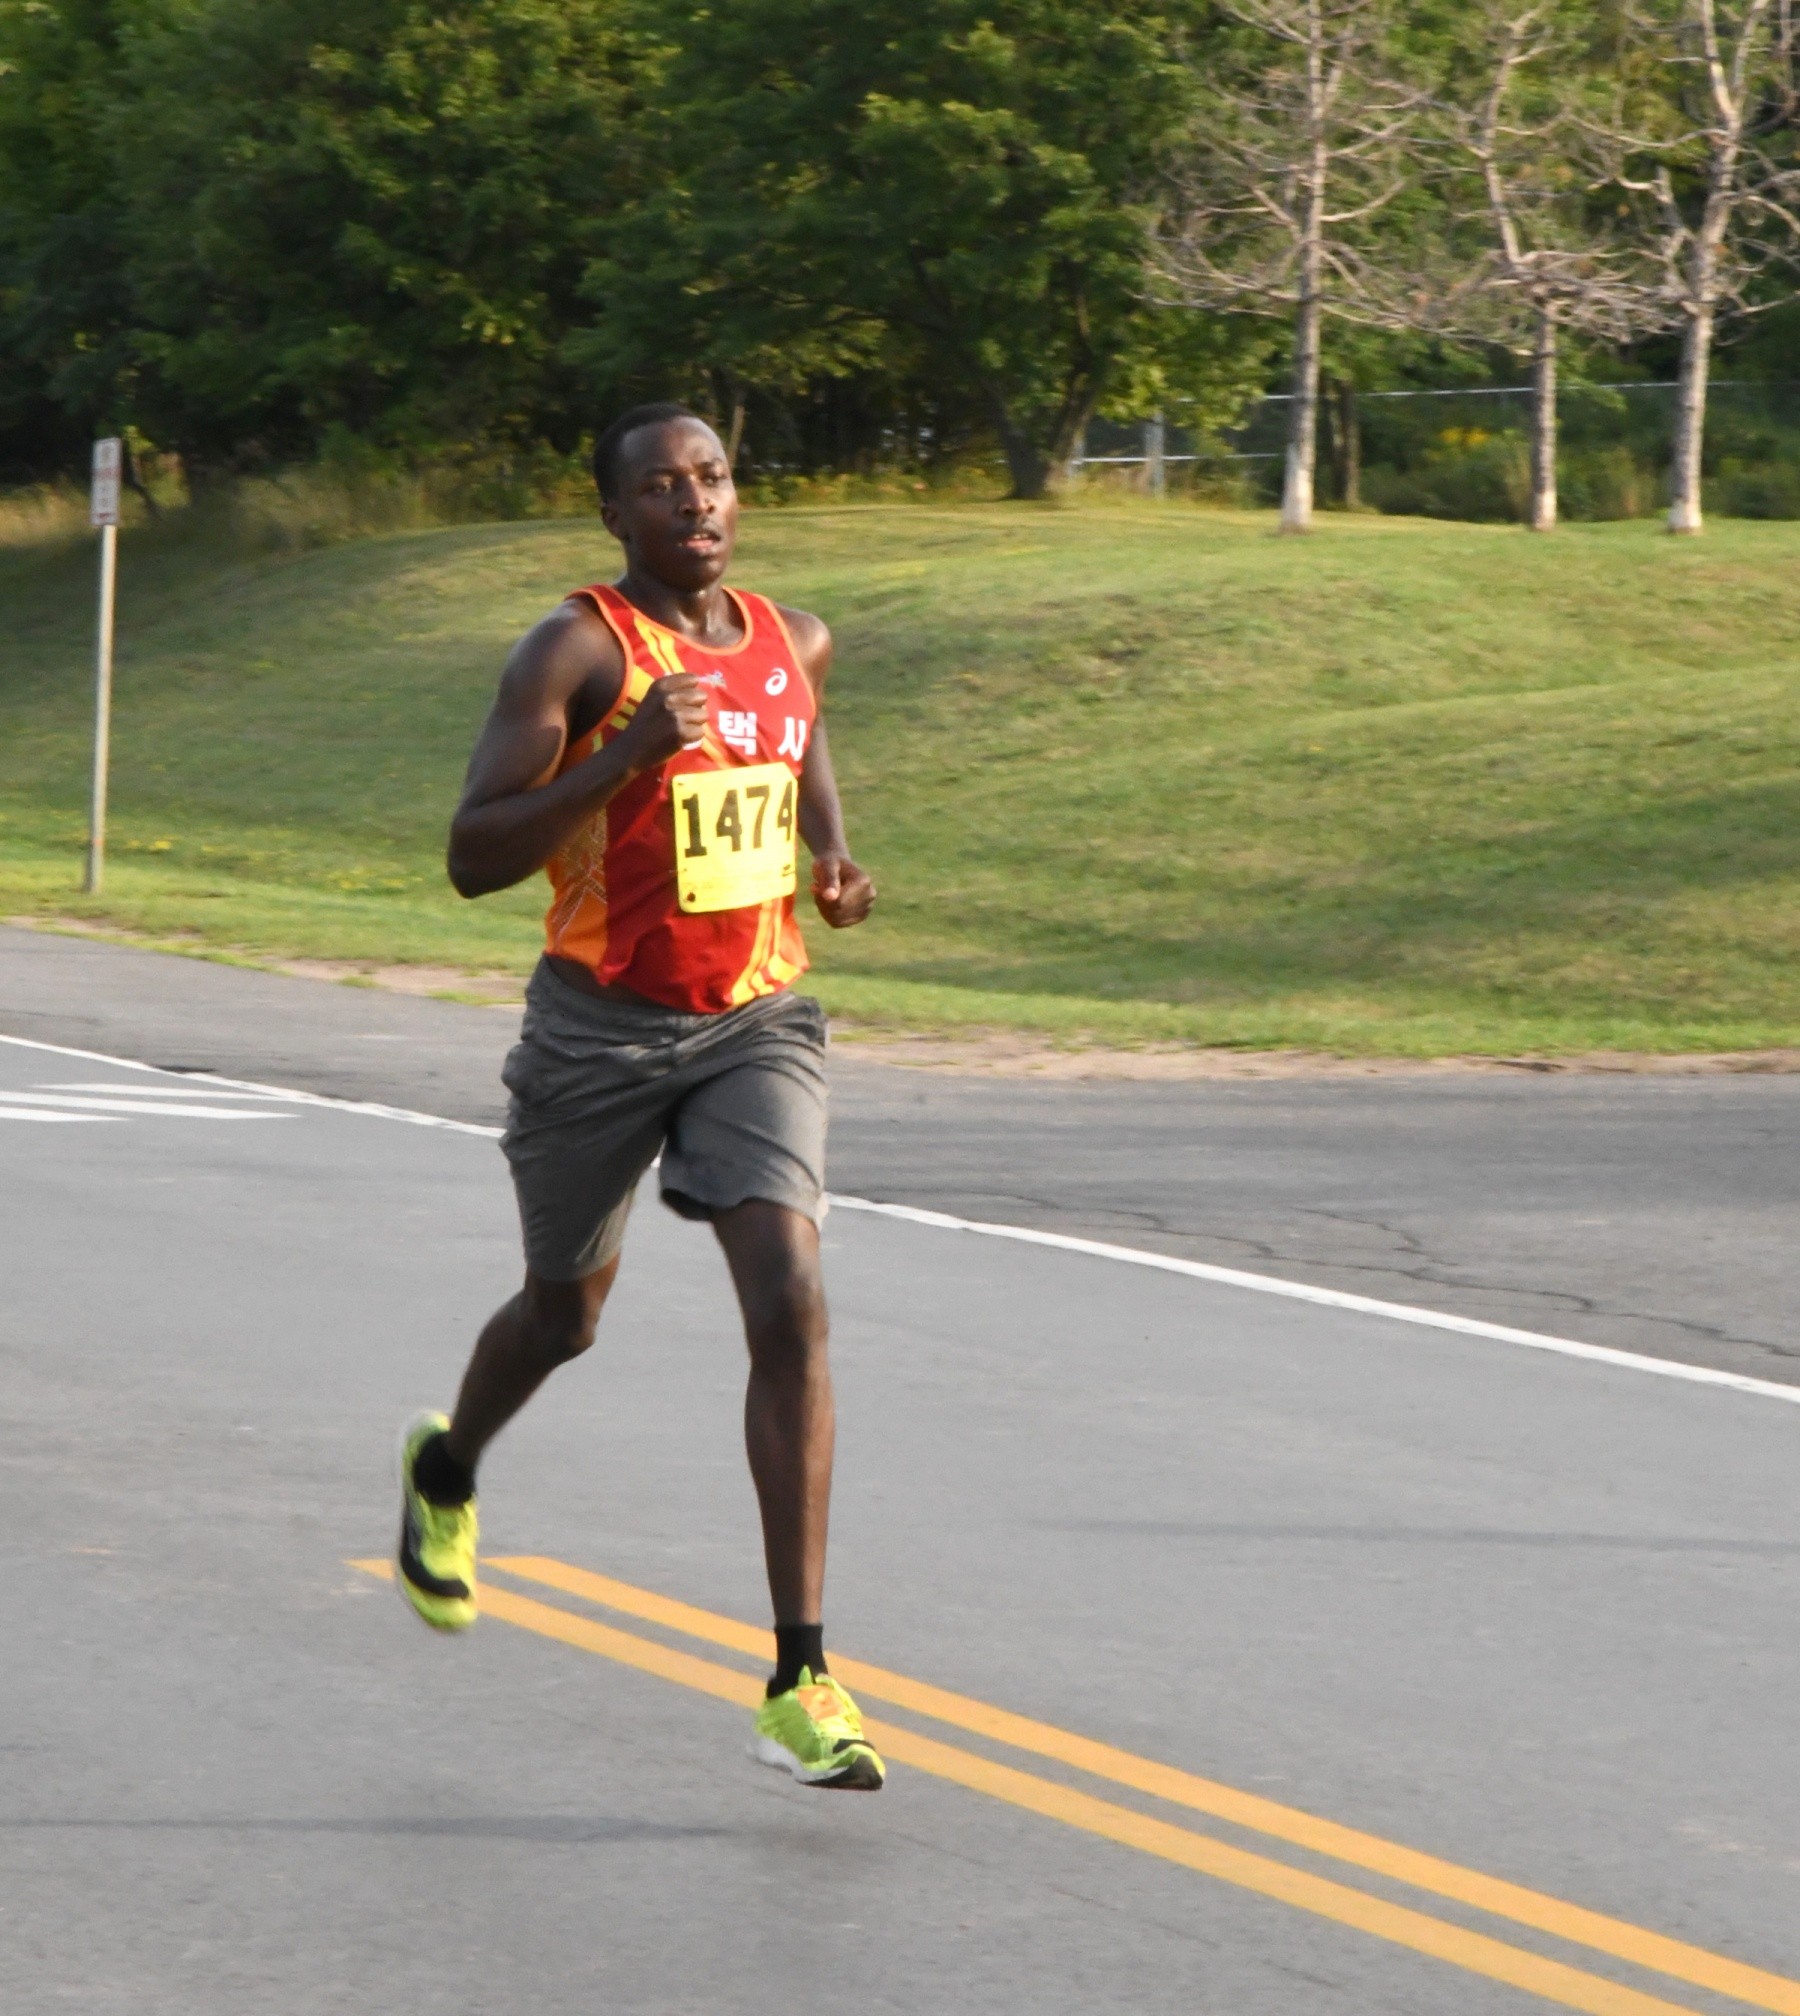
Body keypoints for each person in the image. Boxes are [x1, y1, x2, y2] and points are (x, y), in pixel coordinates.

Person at [394, 403, 883, 1791]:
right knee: (565, 1315)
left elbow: (801, 745)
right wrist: (623, 756)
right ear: (615, 516)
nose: (696, 504)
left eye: (713, 478)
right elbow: (473, 857)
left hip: (755, 1021)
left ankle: (801, 1675)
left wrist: (835, 856)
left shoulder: (797, 639)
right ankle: (449, 1467)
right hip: (597, 1034)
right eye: (662, 488)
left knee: (790, 1299)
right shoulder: (578, 648)